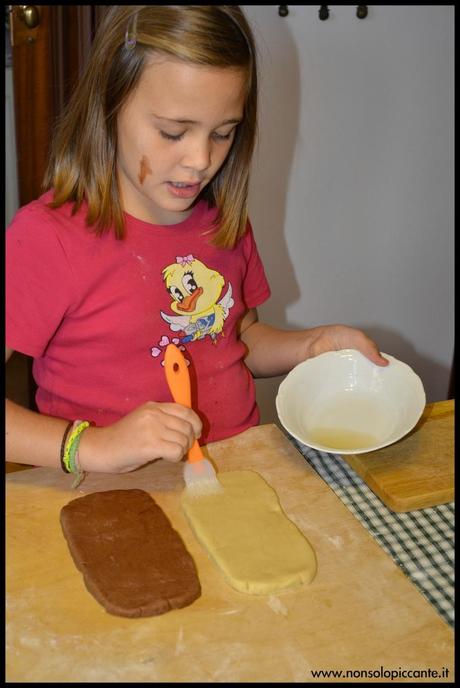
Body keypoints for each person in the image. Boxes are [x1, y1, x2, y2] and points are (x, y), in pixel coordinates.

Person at [6, 6, 388, 480]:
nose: (201, 160)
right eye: (172, 132)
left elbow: (237, 338)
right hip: (110, 495)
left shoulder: (223, 221)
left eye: (223, 133)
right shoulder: (47, 239)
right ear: (108, 105)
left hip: (233, 474)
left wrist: (312, 346)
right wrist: (92, 446)